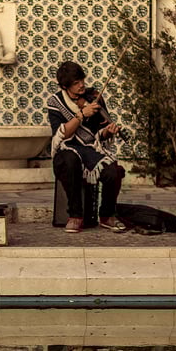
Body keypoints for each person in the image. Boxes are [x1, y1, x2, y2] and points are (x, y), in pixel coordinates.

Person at [47, 60, 125, 233]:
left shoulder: (93, 98)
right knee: (71, 161)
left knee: (113, 170)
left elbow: (99, 132)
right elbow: (62, 134)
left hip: (91, 149)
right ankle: (75, 215)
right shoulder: (55, 102)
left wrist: (108, 132)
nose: (82, 85)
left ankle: (106, 215)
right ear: (65, 86)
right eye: (76, 83)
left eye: (82, 80)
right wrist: (82, 114)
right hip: (66, 149)